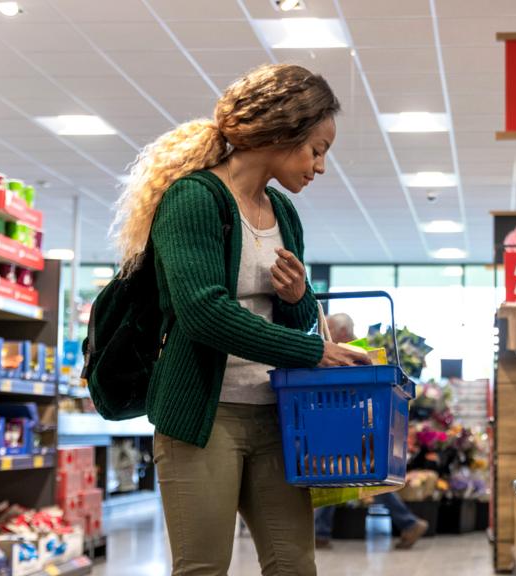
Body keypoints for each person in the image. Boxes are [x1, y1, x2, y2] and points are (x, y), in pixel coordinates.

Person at [111, 64, 370, 576]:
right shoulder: (194, 199)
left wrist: (298, 297)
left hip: (276, 413)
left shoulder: (283, 212)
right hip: (205, 415)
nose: (320, 166)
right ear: (281, 131)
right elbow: (204, 313)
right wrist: (315, 352)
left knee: (294, 564)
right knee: (204, 566)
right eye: (316, 149)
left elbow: (291, 318)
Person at [313, 313, 429, 550]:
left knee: (350, 474)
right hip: (359, 424)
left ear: (342, 333)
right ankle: (321, 532)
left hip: (354, 424)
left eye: (331, 330)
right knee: (347, 475)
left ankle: (408, 523)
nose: (327, 336)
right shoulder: (365, 352)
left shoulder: (353, 354)